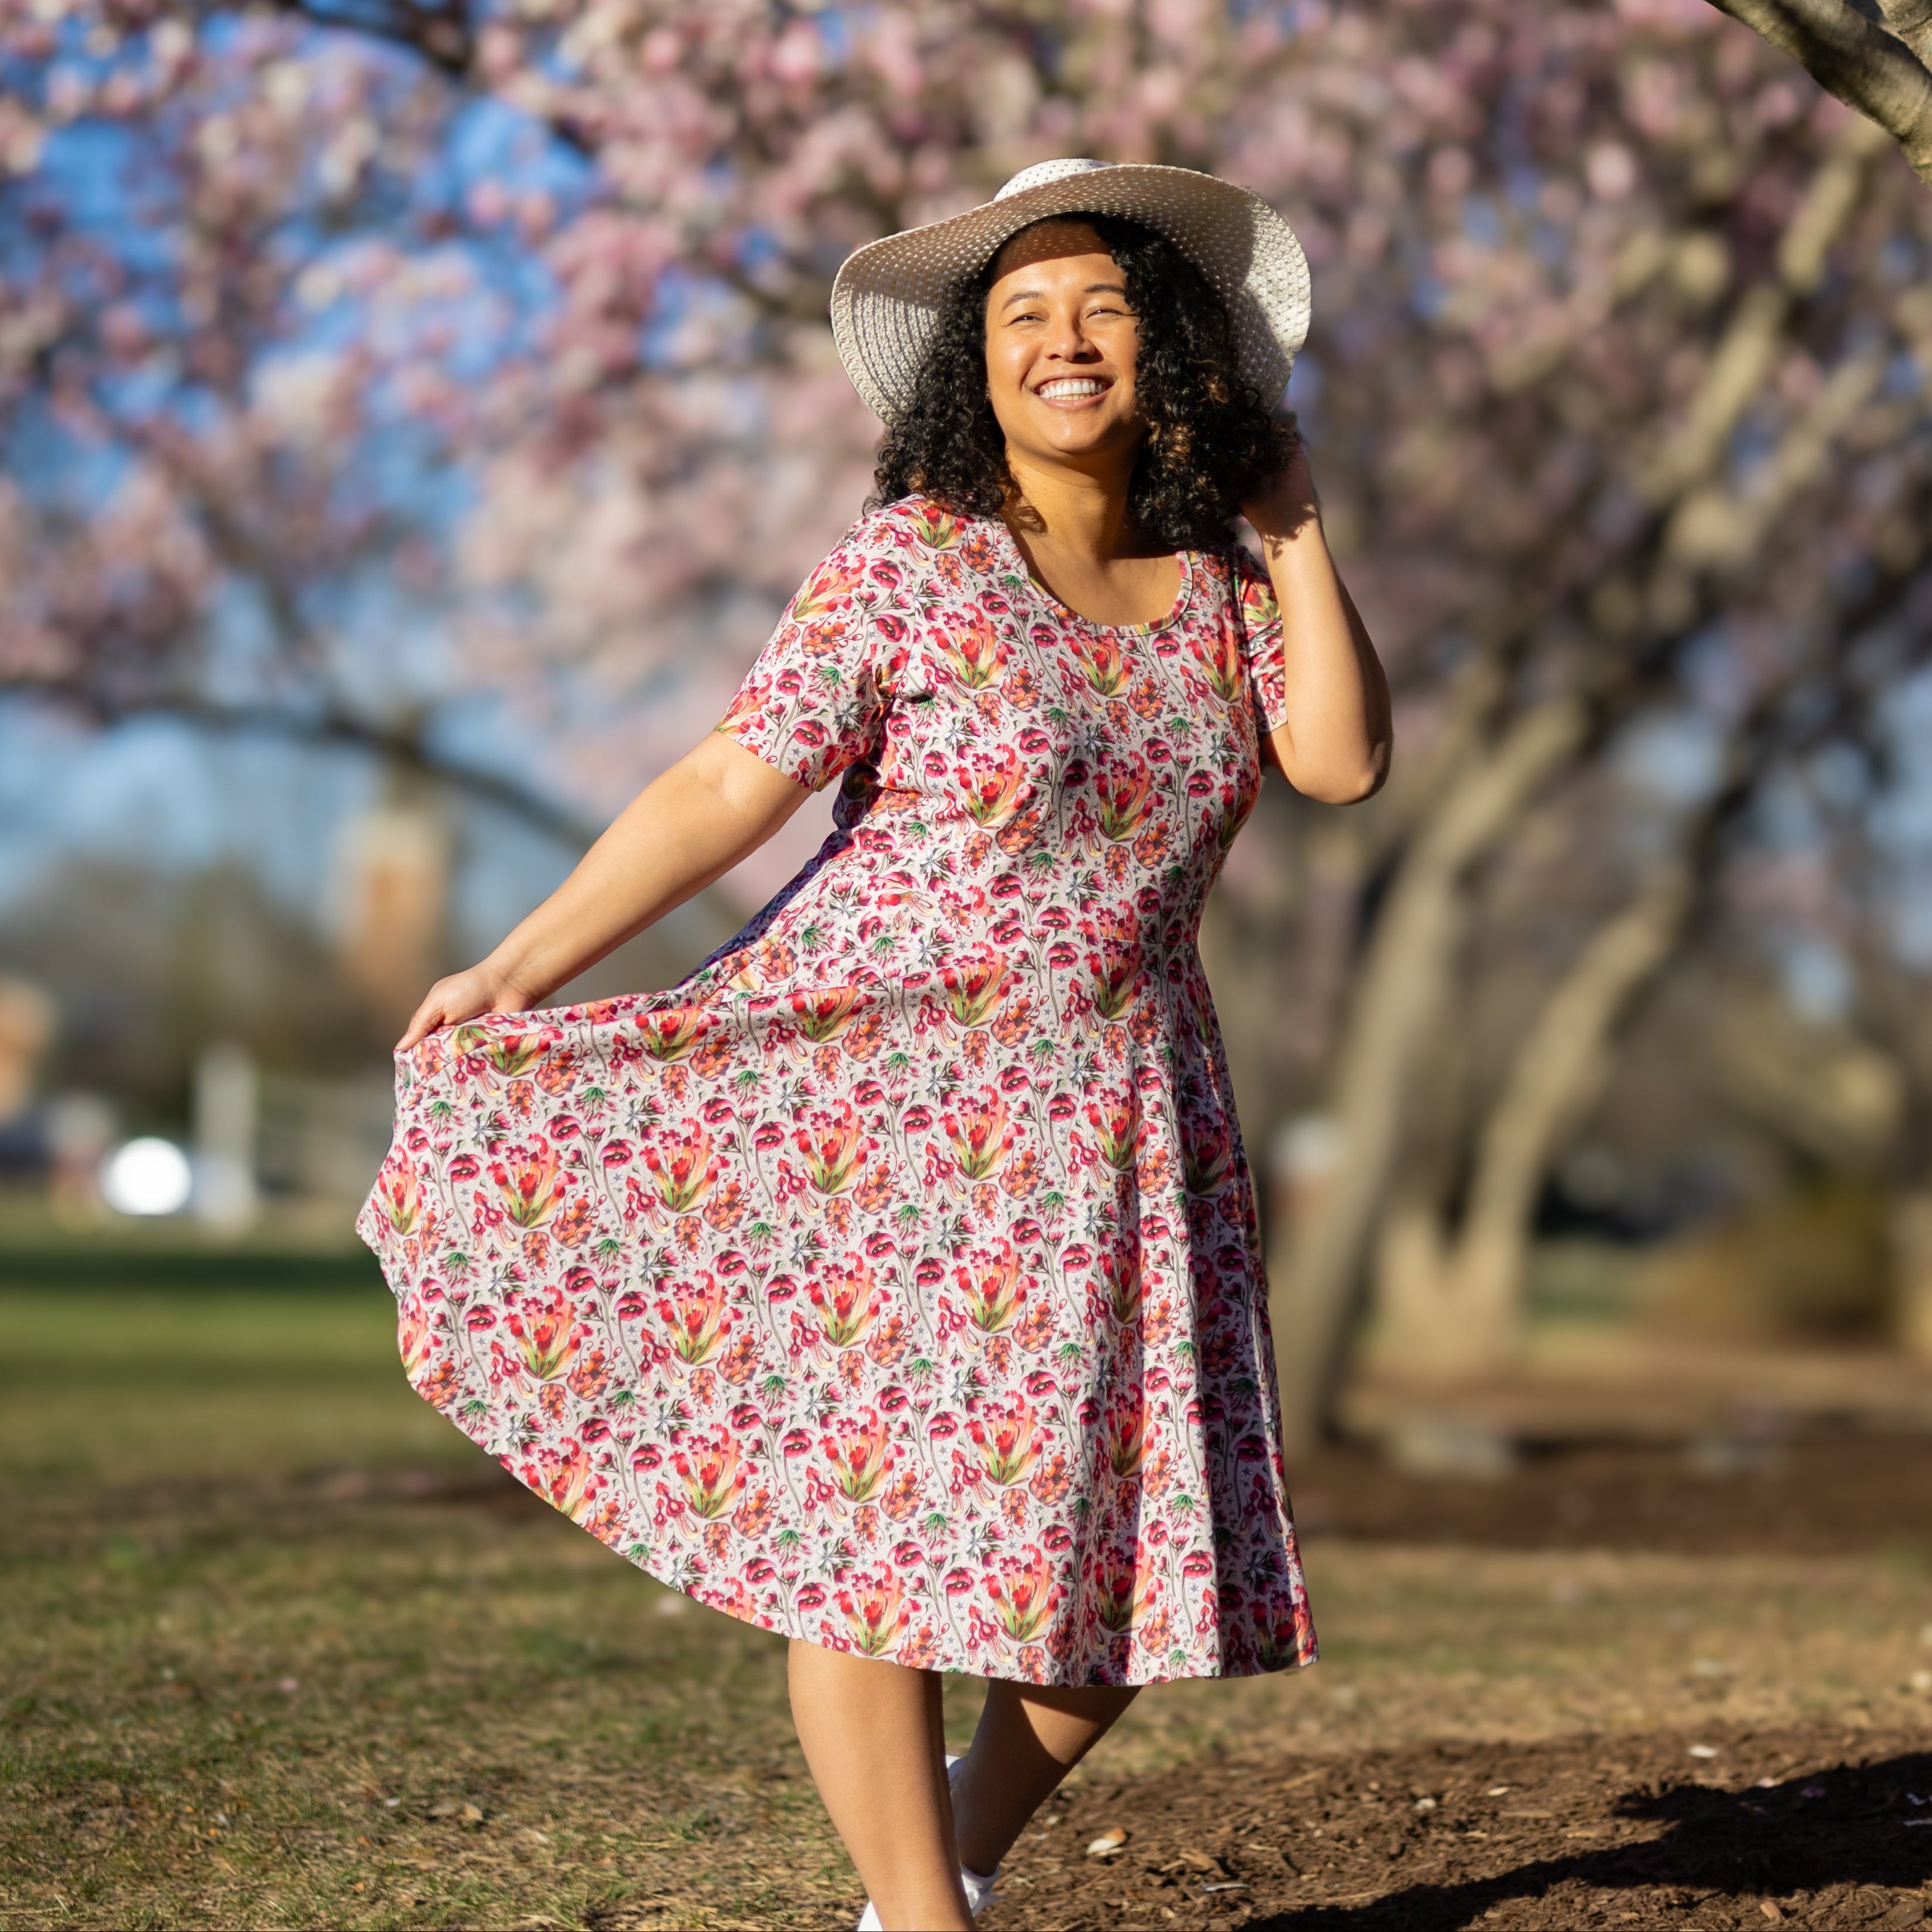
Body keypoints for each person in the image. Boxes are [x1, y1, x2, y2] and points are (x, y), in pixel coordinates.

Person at [359, 157, 1390, 1931]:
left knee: (1116, 1591)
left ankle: (952, 1861)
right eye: (1019, 318)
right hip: (878, 1107)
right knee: (876, 1548)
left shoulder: (1226, 595)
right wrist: (521, 961)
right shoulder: (912, 564)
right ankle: (915, 1918)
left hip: (1123, 1125)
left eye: (1104, 306)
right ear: (969, 372)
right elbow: (724, 781)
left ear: (1178, 350)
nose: (1064, 342)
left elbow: (1340, 763)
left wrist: (1292, 525)